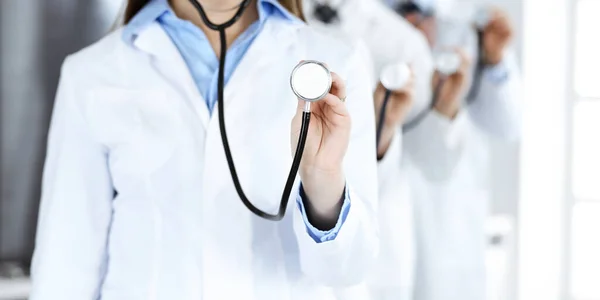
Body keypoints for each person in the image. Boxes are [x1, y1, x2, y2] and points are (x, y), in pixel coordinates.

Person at [29, 0, 381, 299]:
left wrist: (323, 182)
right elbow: (65, 266)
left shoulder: (338, 62)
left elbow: (346, 272)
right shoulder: (92, 74)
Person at [302, 1, 434, 299]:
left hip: (377, 256)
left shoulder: (404, 43)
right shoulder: (265, 23)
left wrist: (382, 127)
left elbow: (398, 166)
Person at [390, 1, 522, 300]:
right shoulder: (353, 16)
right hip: (386, 194)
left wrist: (495, 60)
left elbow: (509, 124)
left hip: (450, 207)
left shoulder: (468, 22)